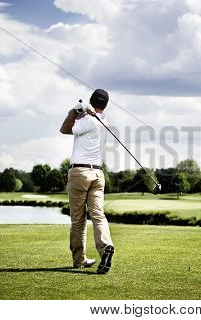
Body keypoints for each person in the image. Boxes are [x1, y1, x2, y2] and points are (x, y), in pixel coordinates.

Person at [60, 89, 114, 274]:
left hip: (80, 173)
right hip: (98, 175)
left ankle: (79, 260)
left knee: (78, 220)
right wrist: (85, 111)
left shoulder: (89, 120)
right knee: (98, 215)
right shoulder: (104, 121)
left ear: (91, 100)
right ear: (105, 105)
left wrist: (76, 110)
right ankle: (105, 246)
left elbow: (64, 129)